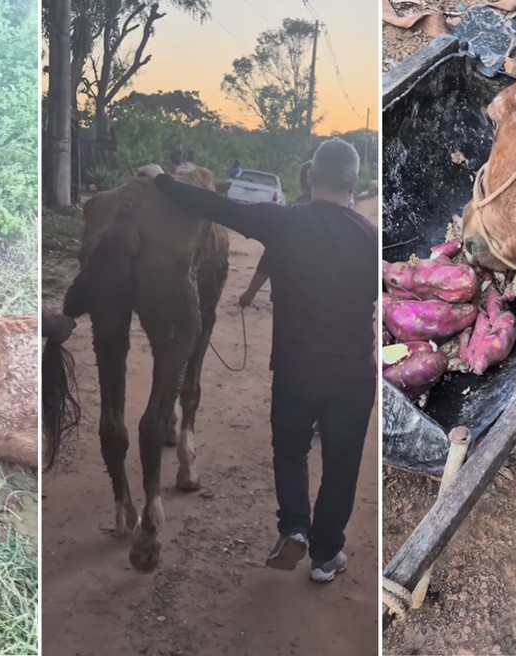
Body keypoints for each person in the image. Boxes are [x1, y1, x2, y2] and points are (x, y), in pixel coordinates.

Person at [151, 138, 377, 583]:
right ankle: (327, 555)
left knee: (290, 451)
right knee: (342, 463)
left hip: (295, 371)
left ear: (311, 176)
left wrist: (158, 178)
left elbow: (215, 206)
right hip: (352, 375)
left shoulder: (283, 223)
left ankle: (294, 527)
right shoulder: (370, 237)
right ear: (353, 182)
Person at [238, 160, 312, 308]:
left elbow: (272, 256)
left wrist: (250, 293)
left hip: (289, 298)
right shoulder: (346, 221)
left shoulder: (293, 216)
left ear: (306, 180)